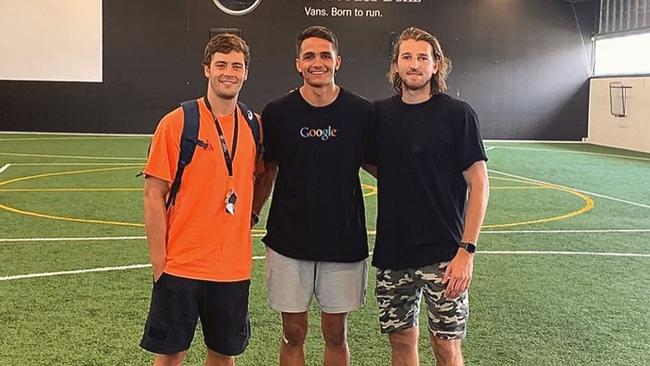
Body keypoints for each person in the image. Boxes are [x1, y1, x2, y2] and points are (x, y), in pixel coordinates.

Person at [252, 25, 373, 366]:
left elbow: (382, 167)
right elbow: (268, 170)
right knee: (293, 332)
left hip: (344, 241)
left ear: (338, 61)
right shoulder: (278, 112)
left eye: (324, 55)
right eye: (309, 56)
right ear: (298, 63)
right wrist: (251, 214)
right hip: (289, 241)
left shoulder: (361, 112)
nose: (317, 62)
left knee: (336, 333)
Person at [369, 27, 489, 366]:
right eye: (406, 57)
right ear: (395, 66)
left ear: (437, 66)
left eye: (423, 57)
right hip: (393, 254)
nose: (414, 64)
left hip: (445, 256)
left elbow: (479, 184)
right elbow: (369, 160)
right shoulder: (380, 115)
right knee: (402, 344)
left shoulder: (457, 114)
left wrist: (467, 250)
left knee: (445, 347)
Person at [140, 33, 259, 366]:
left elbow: (264, 177)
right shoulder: (178, 122)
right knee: (171, 355)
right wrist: (160, 263)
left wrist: (252, 214)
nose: (229, 72)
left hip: (232, 269)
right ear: (207, 69)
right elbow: (153, 194)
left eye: (237, 65)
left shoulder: (254, 126)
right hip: (181, 265)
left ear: (246, 72)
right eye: (221, 64)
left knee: (223, 355)